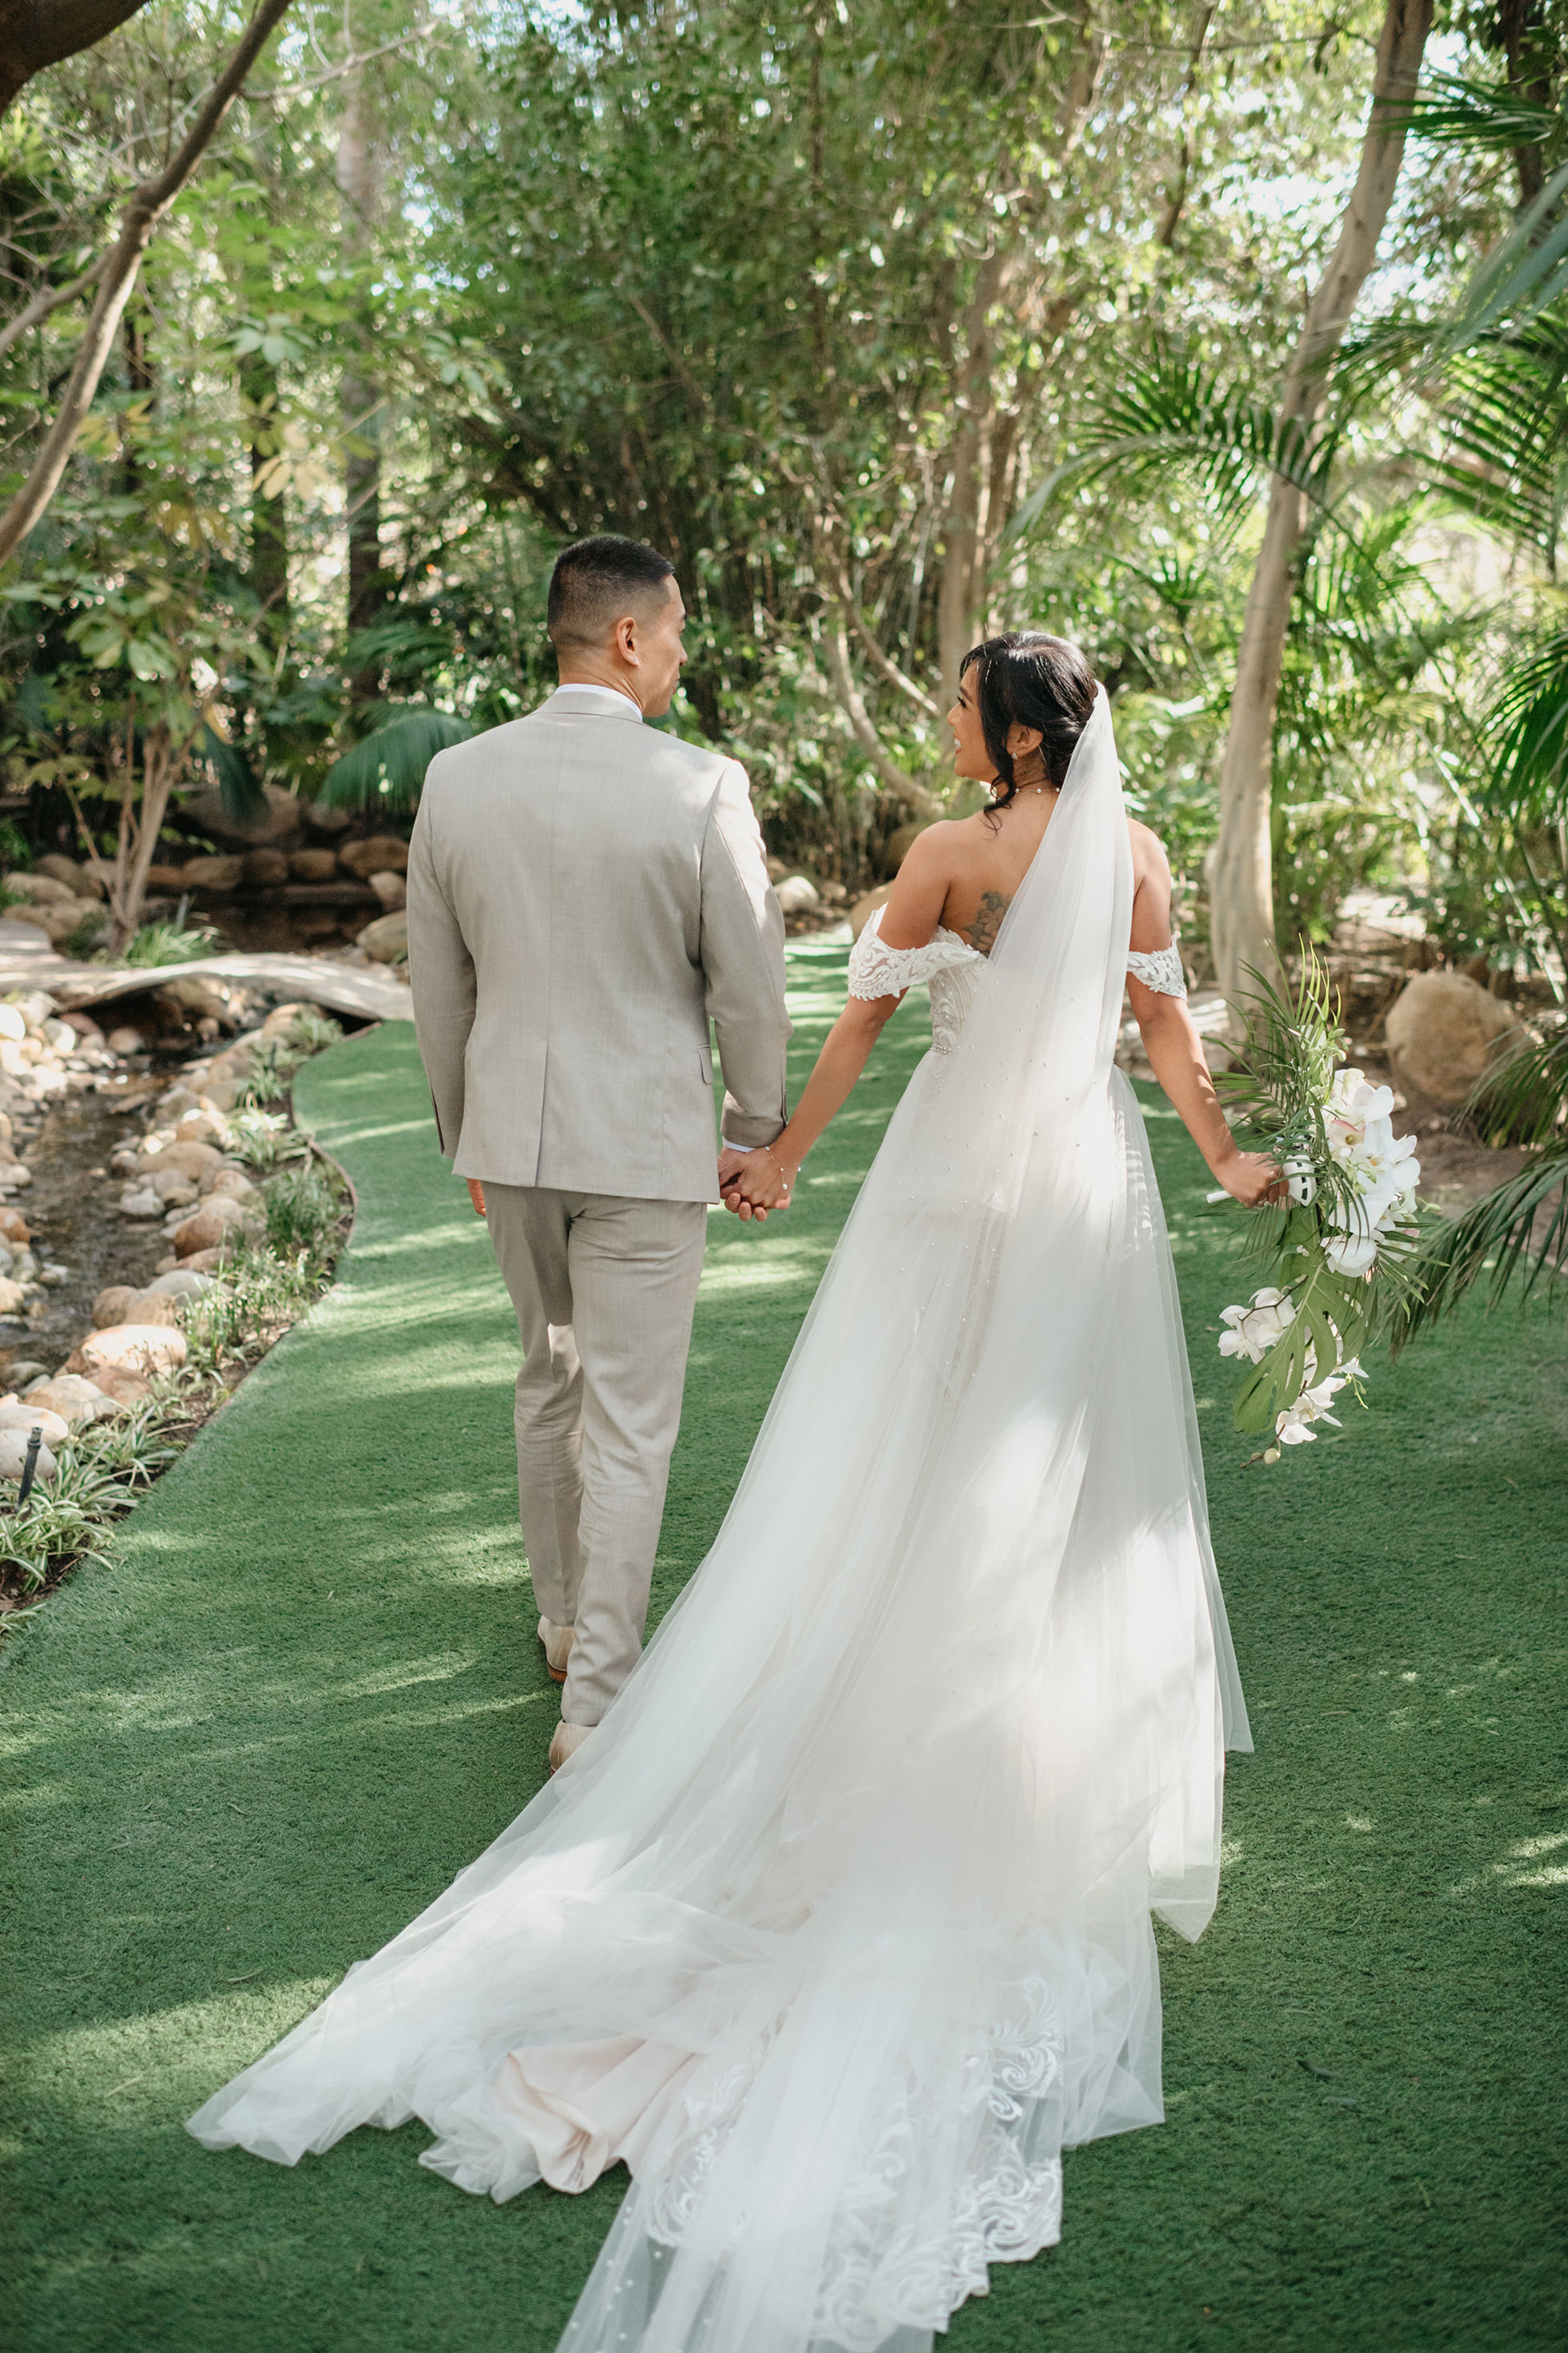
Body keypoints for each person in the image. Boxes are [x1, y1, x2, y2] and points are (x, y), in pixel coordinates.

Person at [190, 635, 1276, 2353]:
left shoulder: (947, 855)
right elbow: (1157, 1034)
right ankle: (1025, 1739)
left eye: (956, 707)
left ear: (1002, 732)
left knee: (902, 1453)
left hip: (945, 1192)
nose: (942, 726)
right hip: (1082, 1194)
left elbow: (856, 1030)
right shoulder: (1127, 858)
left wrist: (770, 1154)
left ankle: (889, 1699)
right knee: (1048, 1476)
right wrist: (1224, 1163)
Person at [403, 534, 791, 1770]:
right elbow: (752, 982)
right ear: (628, 637)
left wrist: (462, 1128)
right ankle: (599, 1707)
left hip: (509, 1139)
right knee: (627, 1421)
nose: (680, 655)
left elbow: (438, 988)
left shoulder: (458, 780)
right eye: (674, 632)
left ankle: (568, 1627)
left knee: (546, 1379)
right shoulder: (701, 785)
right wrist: (754, 1128)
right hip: (645, 1146)